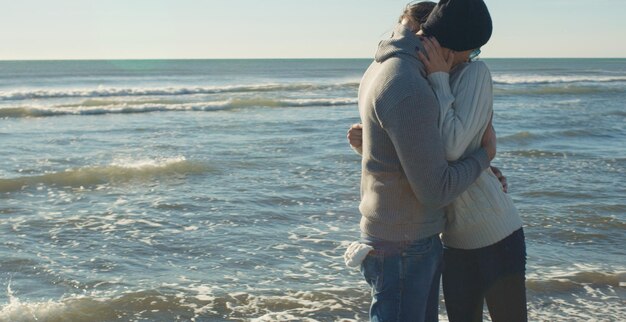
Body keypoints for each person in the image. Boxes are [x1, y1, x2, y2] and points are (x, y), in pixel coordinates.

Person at [348, 1, 528, 321]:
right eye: (470, 52)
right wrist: (484, 157)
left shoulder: (382, 66)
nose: (469, 60)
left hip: (413, 235)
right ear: (448, 44)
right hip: (406, 241)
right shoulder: (409, 82)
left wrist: (481, 168)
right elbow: (437, 183)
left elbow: (413, 149)